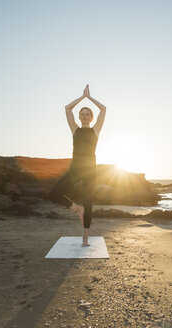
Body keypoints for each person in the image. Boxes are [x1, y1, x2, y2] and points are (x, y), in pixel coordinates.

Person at [47, 84, 106, 246]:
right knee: (53, 193)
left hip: (90, 171)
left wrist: (90, 98)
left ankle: (85, 237)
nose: (85, 116)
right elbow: (67, 109)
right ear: (79, 117)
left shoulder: (95, 131)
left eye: (87, 114)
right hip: (75, 169)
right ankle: (75, 208)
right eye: (82, 114)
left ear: (91, 118)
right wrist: (82, 97)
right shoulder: (75, 130)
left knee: (88, 202)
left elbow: (103, 109)